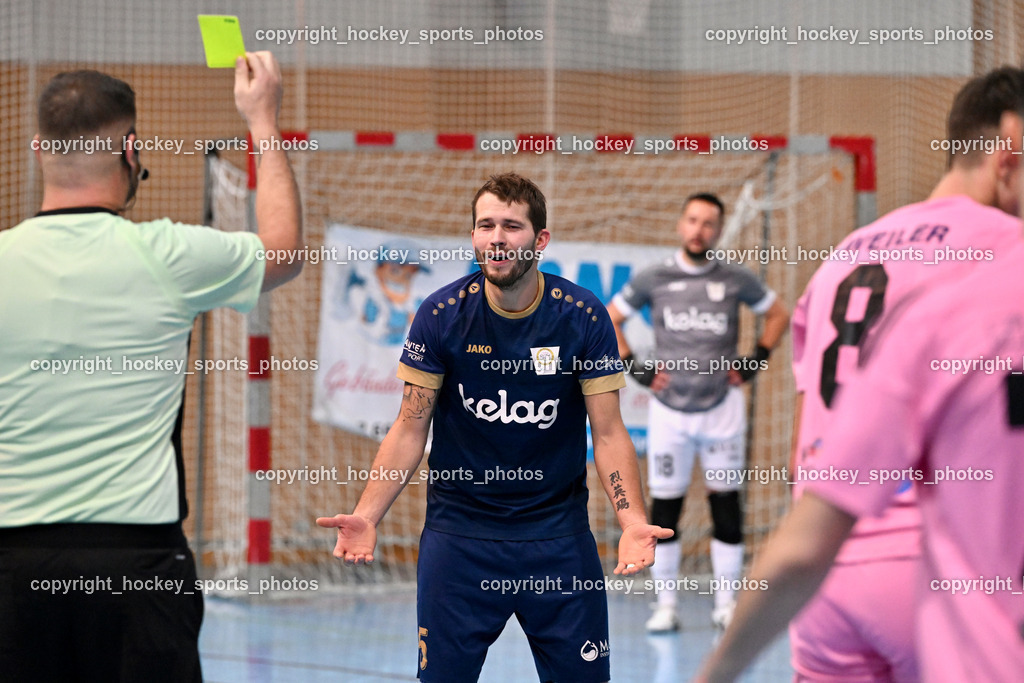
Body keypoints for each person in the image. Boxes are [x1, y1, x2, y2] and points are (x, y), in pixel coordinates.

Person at [696, 78, 1024, 683]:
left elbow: (814, 423)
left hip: (820, 570)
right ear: (1009, 147)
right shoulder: (1005, 252)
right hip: (931, 560)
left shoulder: (842, 256)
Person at [0, 52, 301, 682]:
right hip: (133, 565)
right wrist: (263, 120)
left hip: (13, 568)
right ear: (131, 149)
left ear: (37, 150)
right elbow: (284, 251)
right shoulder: (168, 253)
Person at [317, 172, 672, 683]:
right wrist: (367, 514)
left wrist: (631, 521)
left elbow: (610, 433)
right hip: (459, 541)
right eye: (486, 225)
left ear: (540, 241)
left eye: (512, 225)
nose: (497, 237)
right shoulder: (440, 316)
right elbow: (410, 427)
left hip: (557, 541)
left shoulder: (583, 318)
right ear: (473, 237)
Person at [607, 193, 789, 632]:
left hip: (722, 409)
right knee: (664, 510)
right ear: (680, 224)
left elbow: (779, 314)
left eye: (708, 223)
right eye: (692, 220)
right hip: (670, 411)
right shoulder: (655, 277)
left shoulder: (735, 278)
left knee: (725, 506)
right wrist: (637, 370)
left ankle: (726, 605)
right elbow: (610, 317)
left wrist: (754, 360)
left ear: (718, 230)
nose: (698, 230)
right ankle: (665, 607)